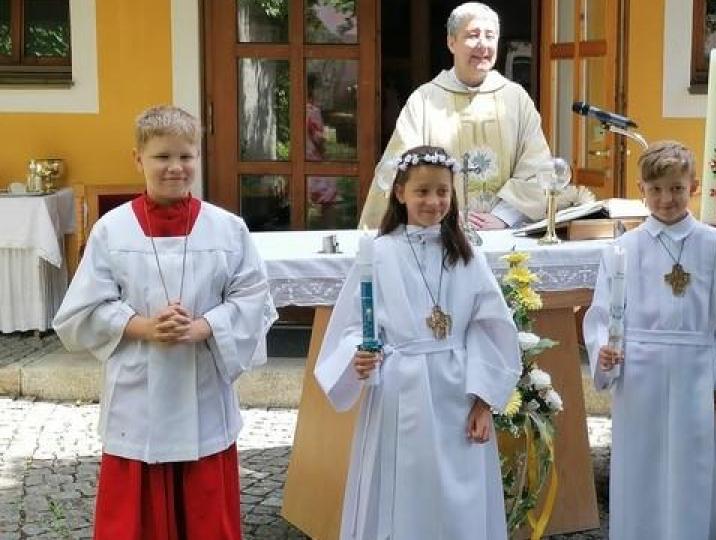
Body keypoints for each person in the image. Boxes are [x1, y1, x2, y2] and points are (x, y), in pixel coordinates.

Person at [53, 106, 277, 539]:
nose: (175, 167)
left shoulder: (227, 229)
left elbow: (254, 297)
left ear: (199, 157)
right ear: (138, 159)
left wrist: (205, 326)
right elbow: (83, 309)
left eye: (185, 156)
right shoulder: (112, 231)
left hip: (202, 383)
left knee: (206, 510)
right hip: (139, 392)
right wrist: (143, 327)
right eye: (162, 156)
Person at [316, 145, 521, 540]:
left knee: (458, 501)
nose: (433, 201)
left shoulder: (467, 256)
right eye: (422, 191)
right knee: (404, 496)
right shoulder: (379, 254)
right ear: (400, 193)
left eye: (442, 192)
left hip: (459, 393)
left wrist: (484, 401)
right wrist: (358, 354)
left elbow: (491, 328)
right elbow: (353, 324)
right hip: (400, 390)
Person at [583, 141, 716, 540]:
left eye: (676, 188)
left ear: (693, 187)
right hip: (639, 371)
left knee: (693, 461)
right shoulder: (624, 248)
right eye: (655, 189)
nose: (666, 199)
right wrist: (604, 350)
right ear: (641, 189)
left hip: (695, 368)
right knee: (643, 462)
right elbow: (603, 311)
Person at [358, 1, 592, 230]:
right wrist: (443, 213)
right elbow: (400, 168)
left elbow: (536, 167)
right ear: (451, 42)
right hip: (440, 229)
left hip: (502, 231)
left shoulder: (516, 99)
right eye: (472, 35)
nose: (483, 45)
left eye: (490, 36)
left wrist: (502, 216)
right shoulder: (425, 100)